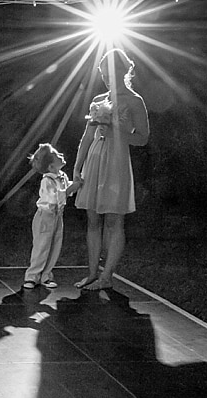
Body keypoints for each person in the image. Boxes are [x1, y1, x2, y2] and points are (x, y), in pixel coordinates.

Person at [72, 47, 150, 290]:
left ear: (120, 72)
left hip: (116, 162)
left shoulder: (135, 101)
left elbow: (143, 138)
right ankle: (93, 273)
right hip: (95, 159)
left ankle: (107, 277)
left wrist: (118, 131)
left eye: (108, 74)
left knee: (114, 221)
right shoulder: (98, 100)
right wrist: (77, 167)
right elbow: (87, 136)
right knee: (92, 219)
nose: (105, 78)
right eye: (103, 74)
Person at [22, 143, 78, 289]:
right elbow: (55, 197)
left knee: (54, 245)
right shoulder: (47, 181)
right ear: (51, 167)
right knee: (42, 246)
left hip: (57, 216)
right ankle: (32, 276)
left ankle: (46, 275)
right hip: (45, 216)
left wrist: (75, 185)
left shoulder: (62, 176)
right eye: (57, 155)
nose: (61, 155)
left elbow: (67, 190)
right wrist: (72, 188)